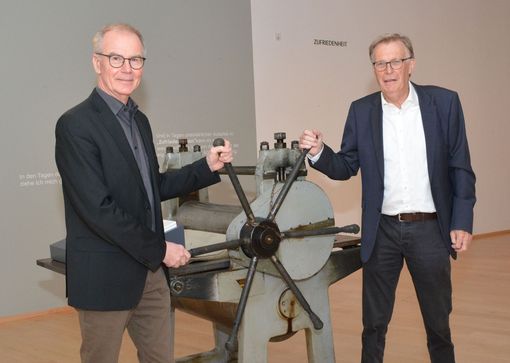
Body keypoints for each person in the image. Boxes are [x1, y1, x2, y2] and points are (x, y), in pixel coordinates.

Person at [55, 23, 233, 363]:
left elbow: (154, 186)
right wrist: (161, 250)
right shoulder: (75, 125)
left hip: (150, 276)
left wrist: (205, 167)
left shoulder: (140, 122)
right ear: (97, 63)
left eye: (135, 60)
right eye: (117, 58)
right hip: (106, 277)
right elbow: (98, 209)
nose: (127, 69)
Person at [299, 33, 476, 363]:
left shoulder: (444, 103)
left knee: (438, 325)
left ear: (411, 65)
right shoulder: (362, 111)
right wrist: (319, 152)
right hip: (382, 233)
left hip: (430, 231)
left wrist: (462, 222)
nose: (388, 69)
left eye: (395, 61)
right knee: (374, 325)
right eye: (380, 63)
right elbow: (346, 165)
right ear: (374, 69)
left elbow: (460, 167)